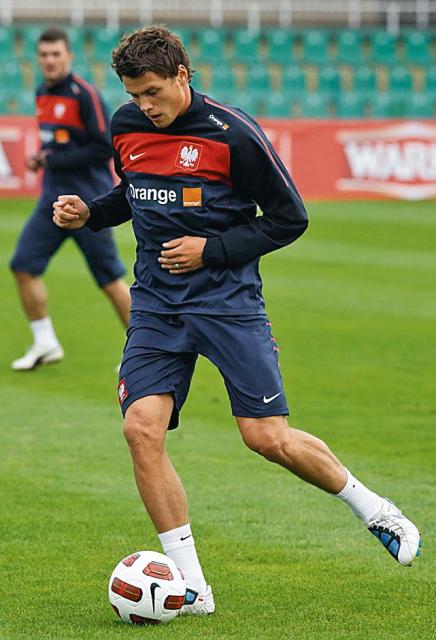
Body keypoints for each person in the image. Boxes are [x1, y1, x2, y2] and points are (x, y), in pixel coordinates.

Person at [53, 26, 421, 616]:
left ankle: (376, 510)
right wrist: (90, 213)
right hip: (156, 304)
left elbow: (289, 218)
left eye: (152, 92)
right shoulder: (126, 125)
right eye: (134, 94)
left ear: (182, 75)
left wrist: (212, 250)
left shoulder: (234, 134)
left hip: (227, 302)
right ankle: (193, 587)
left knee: (266, 438)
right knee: (141, 430)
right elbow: (135, 191)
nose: (144, 105)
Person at [10, 27, 130, 370]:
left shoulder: (84, 94)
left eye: (56, 54)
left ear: (69, 56)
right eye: (44, 55)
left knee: (109, 278)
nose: (49, 60)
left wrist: (51, 159)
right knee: (23, 266)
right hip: (52, 201)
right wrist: (43, 158)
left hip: (87, 203)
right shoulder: (41, 93)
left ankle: (144, 352)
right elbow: (58, 143)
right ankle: (45, 343)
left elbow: (103, 147)